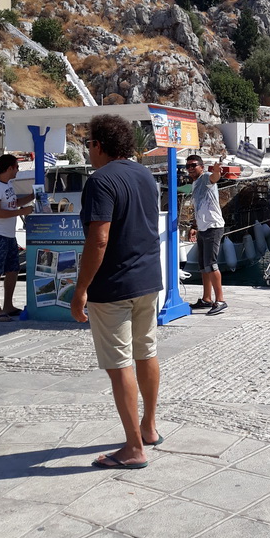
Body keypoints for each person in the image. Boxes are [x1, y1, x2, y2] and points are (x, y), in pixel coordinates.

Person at [70, 115, 163, 469]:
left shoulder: (100, 181)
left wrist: (81, 289)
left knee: (119, 363)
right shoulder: (144, 175)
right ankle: (149, 428)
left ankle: (133, 448)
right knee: (146, 352)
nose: (89, 151)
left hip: (113, 286)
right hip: (148, 281)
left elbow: (100, 238)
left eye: (89, 144)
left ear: (98, 145)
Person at [0, 154, 34, 322]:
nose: (18, 171)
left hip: (9, 235)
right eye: (17, 167)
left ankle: (8, 306)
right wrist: (22, 212)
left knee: (13, 269)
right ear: (10, 168)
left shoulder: (8, 185)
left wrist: (32, 197)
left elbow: (13, 203)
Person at [186, 155, 227, 315]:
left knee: (211, 264)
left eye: (193, 165)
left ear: (201, 166)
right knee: (203, 266)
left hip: (213, 227)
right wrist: (195, 226)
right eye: (187, 166)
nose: (190, 168)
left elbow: (214, 178)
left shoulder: (204, 178)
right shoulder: (195, 184)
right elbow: (199, 208)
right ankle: (206, 299)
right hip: (203, 228)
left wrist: (216, 171)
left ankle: (221, 300)